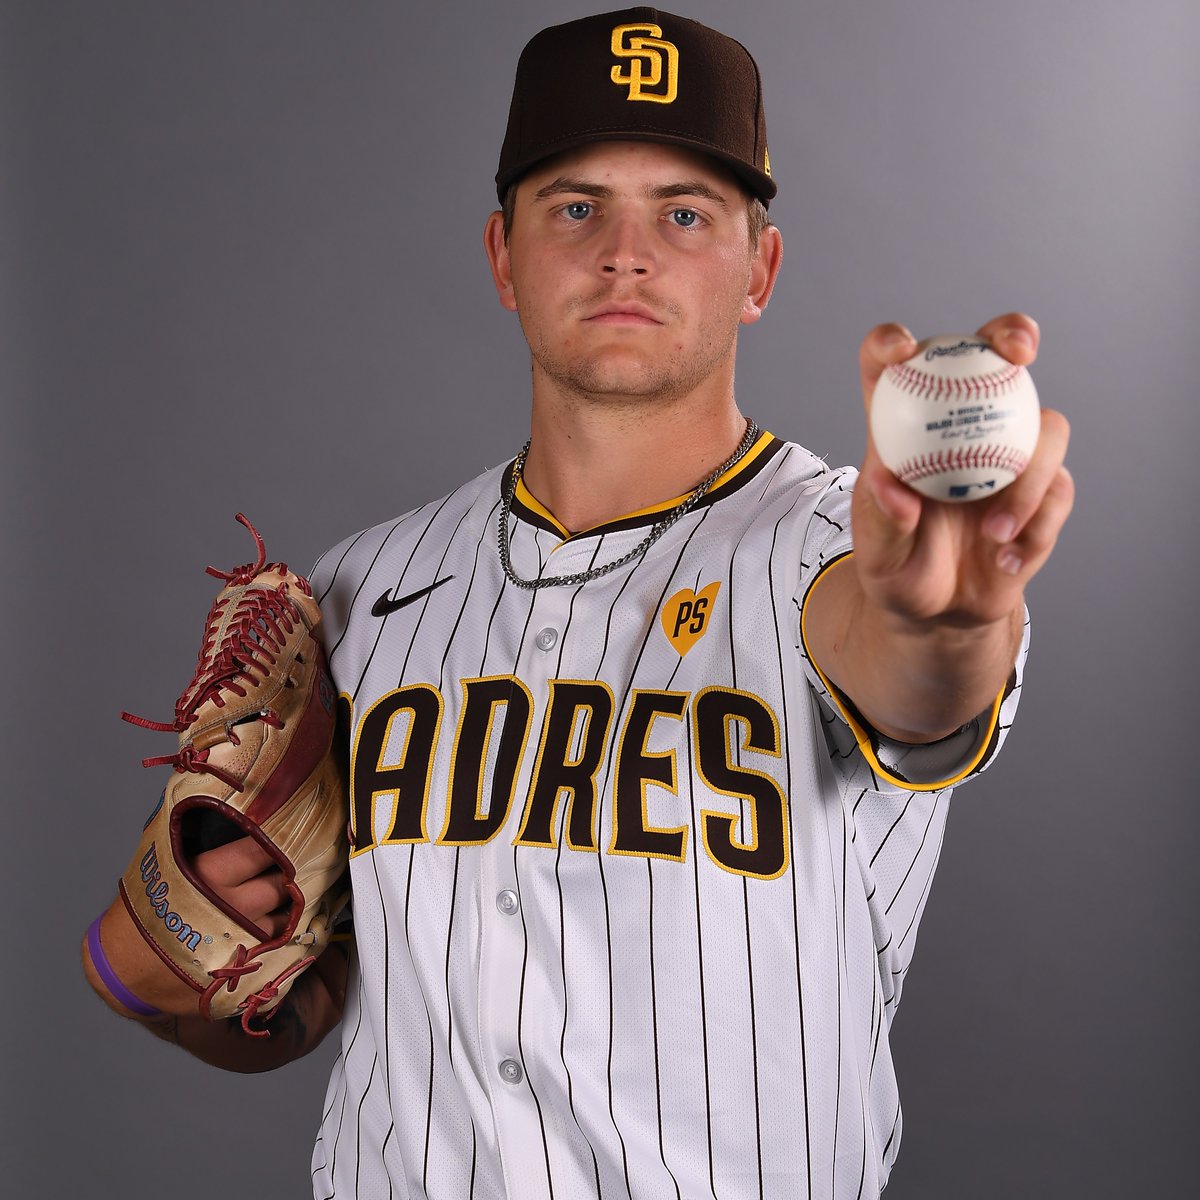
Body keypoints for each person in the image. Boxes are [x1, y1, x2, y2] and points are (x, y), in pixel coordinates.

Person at [82, 8, 1072, 1197]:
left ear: (759, 270)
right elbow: (299, 1007)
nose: (625, 253)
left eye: (685, 213)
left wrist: (942, 625)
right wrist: (155, 978)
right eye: (575, 207)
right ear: (503, 257)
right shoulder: (361, 591)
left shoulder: (843, 555)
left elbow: (911, 684)